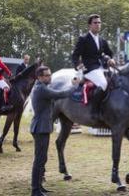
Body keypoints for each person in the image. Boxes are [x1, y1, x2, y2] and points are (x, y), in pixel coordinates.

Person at [30, 66, 75, 196]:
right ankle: (35, 190)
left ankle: (39, 187)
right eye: (46, 75)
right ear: (39, 77)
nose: (49, 77)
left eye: (50, 75)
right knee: (39, 160)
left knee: (42, 158)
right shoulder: (42, 89)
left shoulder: (41, 87)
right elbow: (60, 94)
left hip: (42, 127)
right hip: (40, 128)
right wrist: (74, 86)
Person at [72, 14, 115, 115]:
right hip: (89, 69)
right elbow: (75, 55)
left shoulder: (102, 40)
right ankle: (95, 110)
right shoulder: (83, 39)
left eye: (99, 23)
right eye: (95, 23)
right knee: (103, 84)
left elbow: (109, 53)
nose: (98, 25)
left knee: (116, 80)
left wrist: (110, 59)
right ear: (89, 25)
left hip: (101, 67)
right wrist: (78, 65)